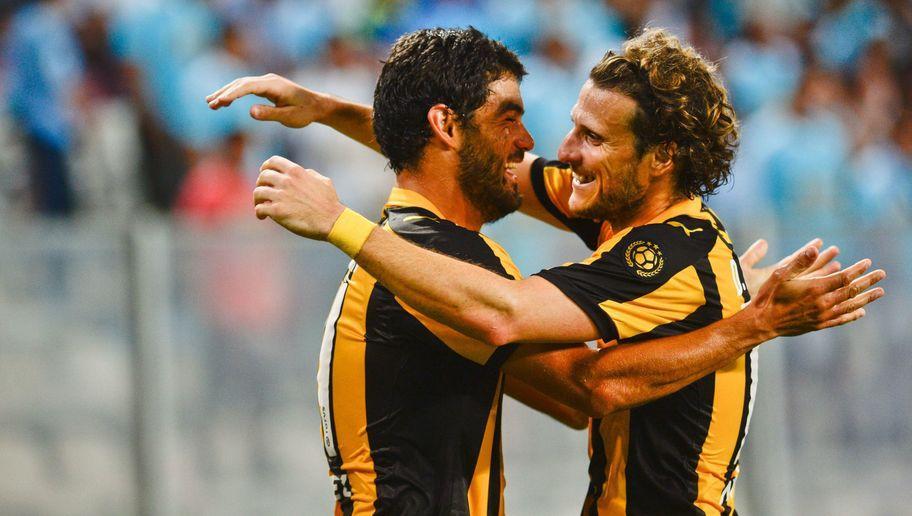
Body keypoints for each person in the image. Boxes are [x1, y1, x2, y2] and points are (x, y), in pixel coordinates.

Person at [208, 28, 885, 515]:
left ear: (660, 158)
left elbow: (566, 368)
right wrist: (328, 111)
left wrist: (752, 324)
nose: (561, 152)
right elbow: (466, 152)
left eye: (592, 138)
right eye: (571, 127)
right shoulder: (613, 209)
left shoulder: (668, 254)